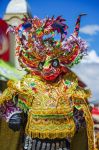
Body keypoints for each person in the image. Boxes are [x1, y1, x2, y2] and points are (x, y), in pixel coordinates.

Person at [0, 14, 94, 150]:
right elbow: (10, 102)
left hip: (62, 145)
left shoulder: (69, 85)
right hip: (32, 144)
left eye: (53, 63)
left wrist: (75, 121)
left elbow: (81, 112)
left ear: (61, 63)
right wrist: (14, 115)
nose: (47, 68)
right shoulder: (28, 84)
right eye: (42, 63)